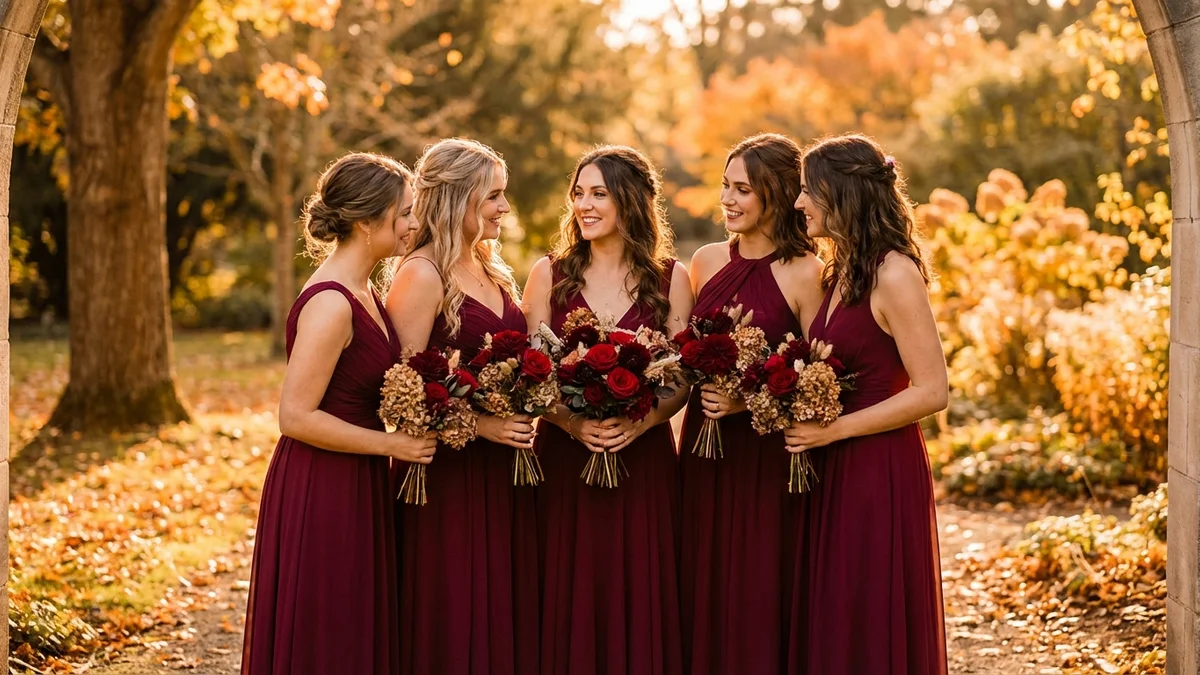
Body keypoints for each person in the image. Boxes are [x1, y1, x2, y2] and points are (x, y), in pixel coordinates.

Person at [241, 152, 436, 675]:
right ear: (367, 221)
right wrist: (392, 445)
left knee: (354, 626)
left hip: (360, 474)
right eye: (406, 212)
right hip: (323, 482)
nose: (415, 223)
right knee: (328, 628)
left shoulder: (367, 289)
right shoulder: (331, 304)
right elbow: (295, 416)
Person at [787, 133, 949, 674]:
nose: (798, 203)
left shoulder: (894, 273)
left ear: (842, 193)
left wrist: (834, 431)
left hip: (877, 469)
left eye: (808, 190)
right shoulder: (838, 272)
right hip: (833, 462)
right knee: (837, 612)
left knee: (868, 610)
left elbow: (931, 390)